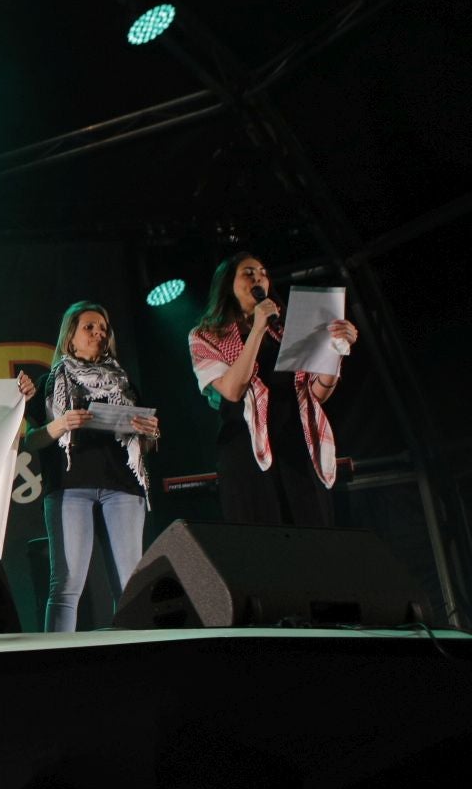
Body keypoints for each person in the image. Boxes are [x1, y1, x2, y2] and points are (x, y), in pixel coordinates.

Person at [188, 253, 359, 526]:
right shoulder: (205, 335)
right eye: (248, 272)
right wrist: (256, 329)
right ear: (227, 285)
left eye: (263, 272)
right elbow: (232, 390)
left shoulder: (286, 331)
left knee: (312, 531)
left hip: (296, 444)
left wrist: (335, 351)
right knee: (264, 538)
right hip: (246, 451)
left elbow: (316, 394)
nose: (258, 277)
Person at [26, 302, 160, 632]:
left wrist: (151, 434)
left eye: (103, 328)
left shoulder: (124, 383)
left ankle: (132, 655)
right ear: (69, 337)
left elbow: (143, 447)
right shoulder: (50, 381)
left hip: (123, 488)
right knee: (67, 584)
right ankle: (56, 662)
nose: (99, 333)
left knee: (130, 584)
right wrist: (61, 425)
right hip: (70, 487)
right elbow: (31, 441)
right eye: (89, 327)